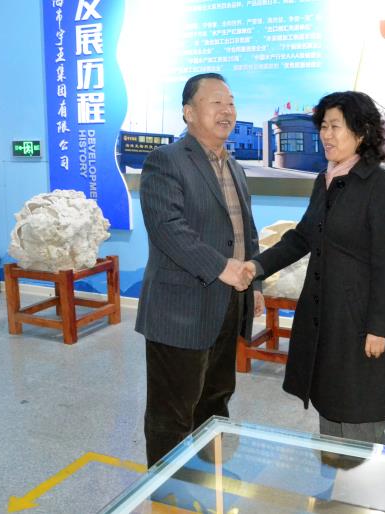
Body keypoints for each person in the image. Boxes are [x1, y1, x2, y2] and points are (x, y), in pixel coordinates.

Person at [246, 91, 385, 444]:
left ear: (362, 132)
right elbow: (302, 237)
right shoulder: (326, 180)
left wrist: (379, 328)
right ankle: (338, 475)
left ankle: (368, 481)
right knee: (331, 409)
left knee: (360, 418)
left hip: (360, 324)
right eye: (323, 126)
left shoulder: (383, 185)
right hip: (326, 319)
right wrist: (256, 266)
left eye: (336, 126)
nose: (326, 135)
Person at [135, 73, 263, 467]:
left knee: (216, 397)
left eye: (231, 103)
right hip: (181, 309)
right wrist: (223, 267)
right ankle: (168, 490)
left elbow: (245, 231)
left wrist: (255, 285)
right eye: (216, 102)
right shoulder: (166, 161)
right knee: (172, 412)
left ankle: (209, 473)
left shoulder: (234, 166)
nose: (227, 111)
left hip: (228, 304)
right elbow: (168, 229)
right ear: (189, 113)